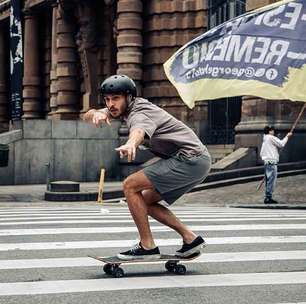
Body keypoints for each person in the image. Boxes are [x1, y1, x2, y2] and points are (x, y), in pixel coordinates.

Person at [84, 74, 211, 260]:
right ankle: (190, 238)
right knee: (144, 201)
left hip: (190, 159)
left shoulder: (139, 113)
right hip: (197, 161)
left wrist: (131, 144)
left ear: (129, 97)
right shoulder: (124, 107)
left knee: (130, 185)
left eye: (116, 98)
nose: (111, 104)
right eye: (107, 99)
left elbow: (139, 130)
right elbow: (87, 116)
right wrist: (96, 112)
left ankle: (147, 246)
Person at [260, 125, 292, 204]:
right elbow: (281, 144)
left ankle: (268, 196)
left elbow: (261, 153)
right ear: (270, 131)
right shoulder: (270, 137)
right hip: (271, 162)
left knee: (268, 180)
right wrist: (287, 136)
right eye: (272, 130)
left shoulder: (265, 139)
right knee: (271, 180)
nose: (273, 132)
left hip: (267, 162)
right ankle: (268, 198)